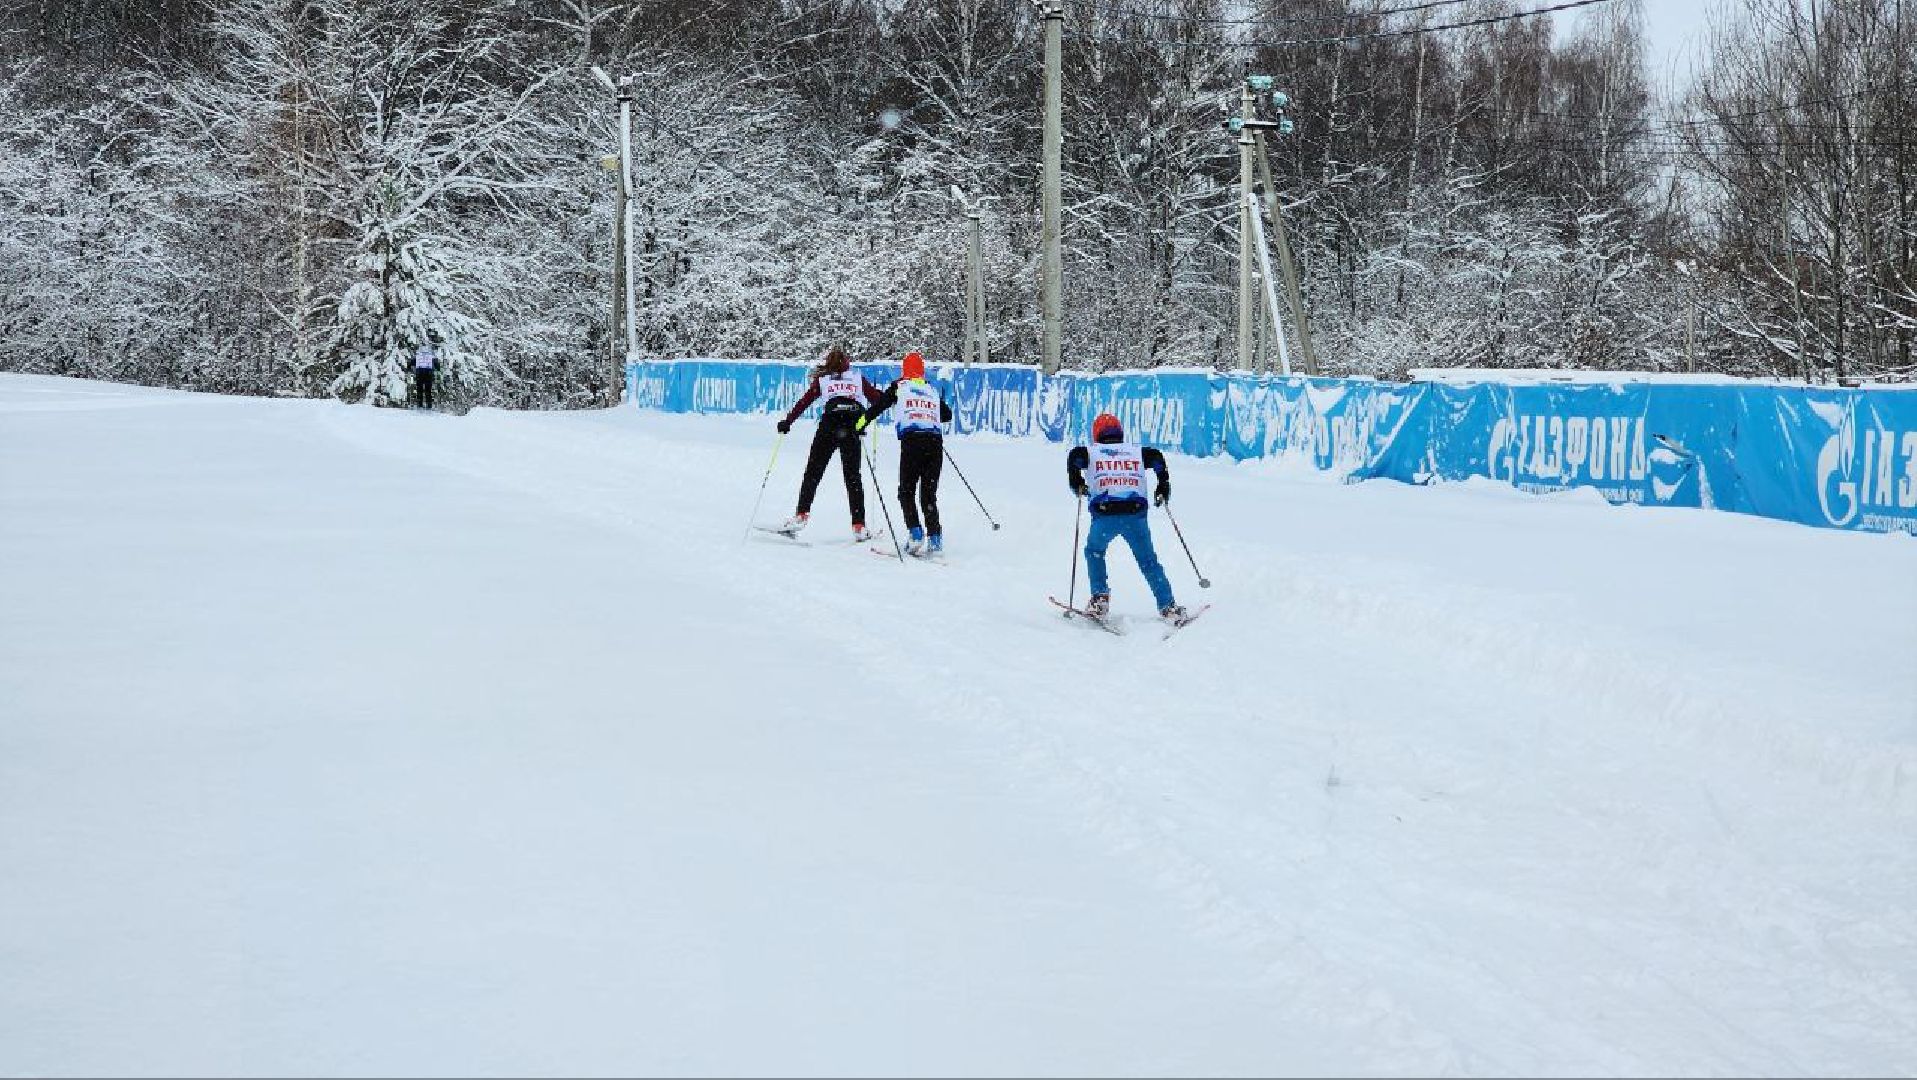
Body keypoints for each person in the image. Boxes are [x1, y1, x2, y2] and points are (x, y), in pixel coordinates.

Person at [1067, 412, 1186, 622]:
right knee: (1148, 561)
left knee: (1094, 551)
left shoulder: (1090, 452)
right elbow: (1157, 458)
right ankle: (1168, 606)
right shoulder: (1137, 452)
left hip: (1105, 514)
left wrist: (1077, 481)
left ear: (1096, 434)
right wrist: (1163, 483)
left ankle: (1100, 598)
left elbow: (1074, 458)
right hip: (1135, 514)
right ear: (1120, 433)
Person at [777, 347, 884, 540]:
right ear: (847, 363)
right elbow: (877, 399)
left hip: (829, 425)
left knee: (813, 472)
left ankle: (801, 515)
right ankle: (859, 525)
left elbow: (804, 402)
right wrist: (884, 393)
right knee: (853, 477)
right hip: (851, 426)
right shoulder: (857, 378)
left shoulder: (824, 380)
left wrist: (788, 422)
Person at [858, 351, 953, 556]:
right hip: (935, 443)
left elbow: (879, 406)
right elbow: (947, 415)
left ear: (904, 370)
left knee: (906, 492)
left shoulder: (899, 386)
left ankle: (916, 534)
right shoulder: (930, 389)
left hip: (912, 443)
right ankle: (935, 540)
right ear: (922, 371)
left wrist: (859, 424)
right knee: (928, 495)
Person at [413, 338, 438, 410]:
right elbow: (436, 364)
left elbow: (411, 362)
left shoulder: (418, 355)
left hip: (419, 373)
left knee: (419, 389)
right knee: (428, 390)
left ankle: (420, 404)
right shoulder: (431, 355)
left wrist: (409, 368)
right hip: (428, 374)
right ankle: (429, 405)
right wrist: (438, 368)